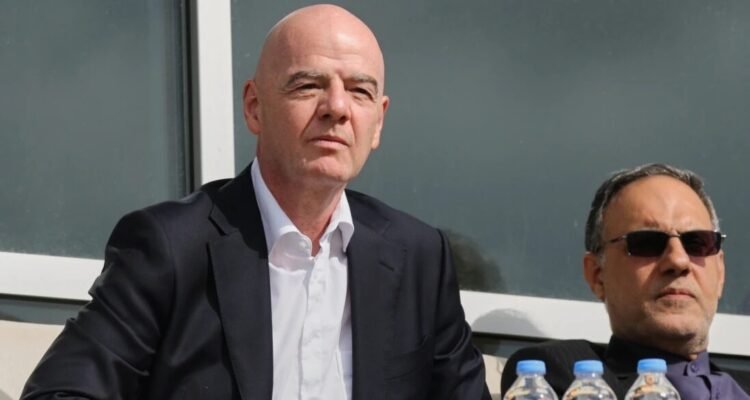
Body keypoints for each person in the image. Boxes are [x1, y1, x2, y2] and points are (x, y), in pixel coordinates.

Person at [22, 5, 489, 399]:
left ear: (379, 122)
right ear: (254, 107)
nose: (337, 107)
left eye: (359, 91)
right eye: (308, 85)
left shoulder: (418, 259)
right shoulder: (170, 249)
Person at [501, 163, 750, 399]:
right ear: (597, 274)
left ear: (720, 273)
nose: (678, 260)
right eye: (647, 243)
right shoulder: (564, 377)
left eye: (697, 243)